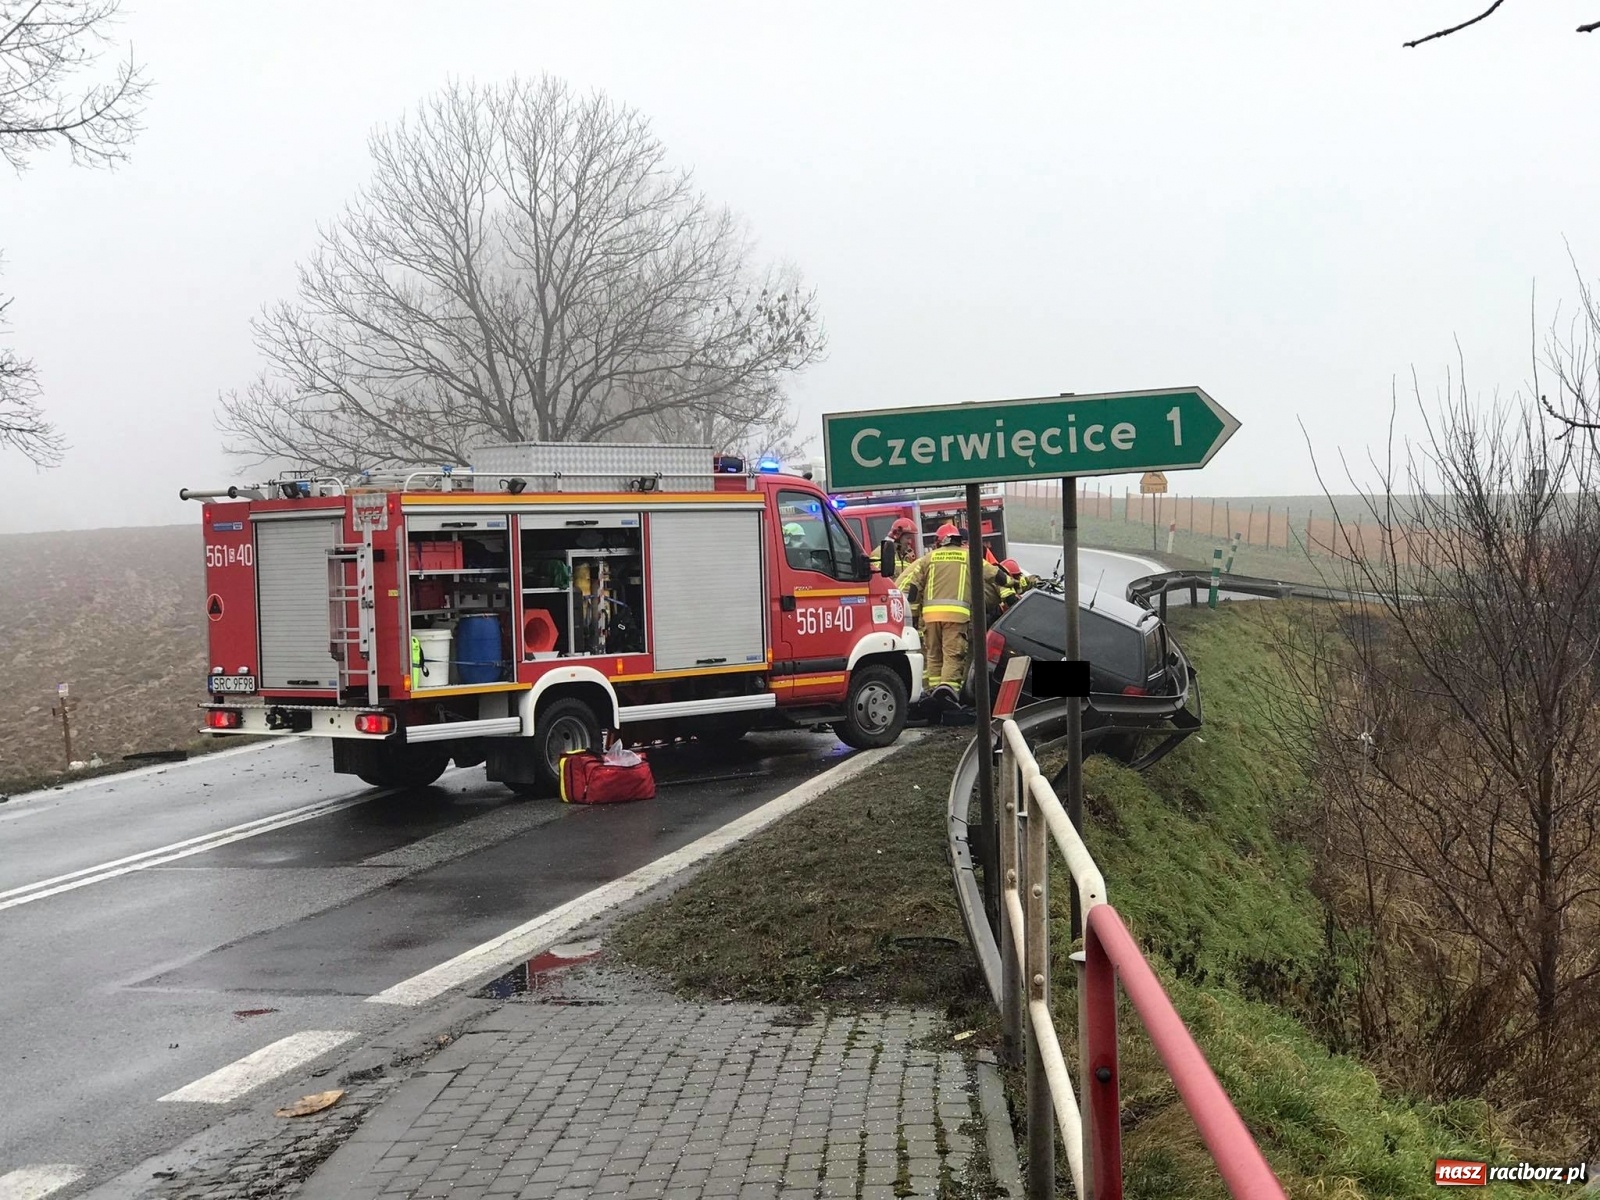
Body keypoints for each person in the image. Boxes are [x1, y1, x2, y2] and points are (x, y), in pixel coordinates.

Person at [898, 525, 1000, 692]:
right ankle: (947, 694)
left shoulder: (928, 558)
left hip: (930, 618)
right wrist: (1015, 583)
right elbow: (994, 574)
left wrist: (914, 617)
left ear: (939, 542)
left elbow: (914, 589)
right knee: (952, 657)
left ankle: (933, 693)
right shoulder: (967, 556)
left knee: (933, 657)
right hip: (956, 617)